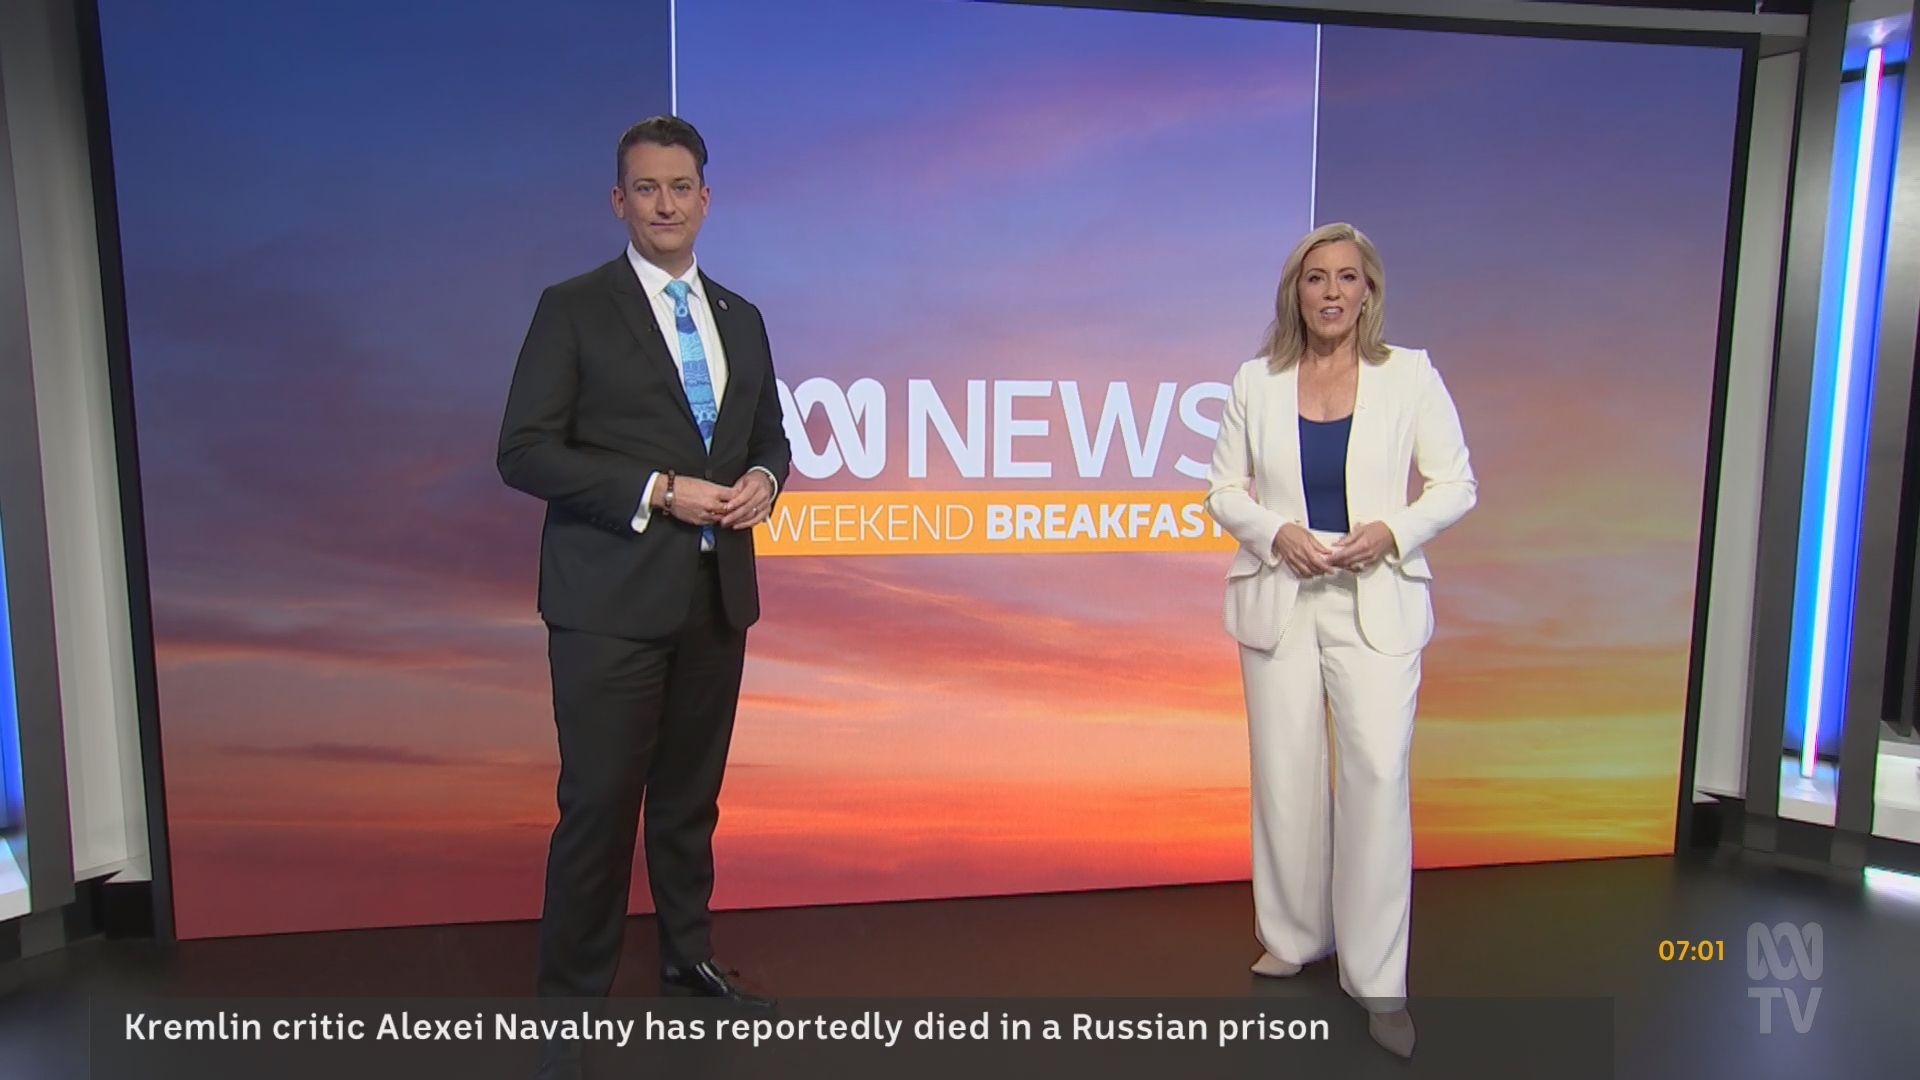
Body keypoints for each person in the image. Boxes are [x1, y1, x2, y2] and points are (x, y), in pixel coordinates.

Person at [497, 115, 791, 1029]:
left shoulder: (742, 317)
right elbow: (523, 451)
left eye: (681, 187)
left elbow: (770, 437)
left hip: (714, 601)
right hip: (608, 607)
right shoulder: (573, 308)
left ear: (707, 198)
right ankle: (568, 1014)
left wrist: (763, 480)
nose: (666, 204)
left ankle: (687, 963)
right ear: (619, 201)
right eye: (647, 189)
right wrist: (657, 490)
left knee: (689, 805)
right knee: (598, 811)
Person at [1204, 222, 1476, 1059]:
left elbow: (1456, 485)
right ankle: (1292, 935)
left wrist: (1391, 532)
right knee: (1286, 774)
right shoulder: (1256, 380)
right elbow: (1222, 490)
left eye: (1346, 277)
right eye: (1315, 277)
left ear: (1369, 291)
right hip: (1281, 592)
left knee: (1377, 778)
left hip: (1374, 595)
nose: (1331, 292)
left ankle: (1378, 979)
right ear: (1297, 291)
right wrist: (1275, 531)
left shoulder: (1411, 375)